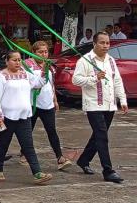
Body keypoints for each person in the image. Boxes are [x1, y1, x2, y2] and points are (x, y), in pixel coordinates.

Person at [72, 31, 128, 183]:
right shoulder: (85, 60)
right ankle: (108, 170)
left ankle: (83, 160)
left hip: (109, 105)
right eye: (102, 43)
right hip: (93, 104)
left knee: (98, 136)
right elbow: (75, 80)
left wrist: (122, 99)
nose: (105, 46)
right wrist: (93, 78)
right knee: (102, 136)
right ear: (94, 44)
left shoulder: (110, 60)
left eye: (107, 43)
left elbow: (117, 80)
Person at [0, 50, 53, 184]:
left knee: (28, 145)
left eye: (19, 60)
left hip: (24, 117)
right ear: (7, 61)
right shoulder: (0, 77)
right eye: (14, 60)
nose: (18, 63)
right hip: (6, 117)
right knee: (3, 144)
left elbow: (39, 83)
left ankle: (37, 173)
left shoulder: (25, 75)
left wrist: (45, 69)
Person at [20, 41, 72, 170]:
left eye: (46, 52)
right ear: (33, 52)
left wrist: (55, 100)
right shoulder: (27, 65)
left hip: (47, 104)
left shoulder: (50, 66)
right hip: (32, 103)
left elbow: (51, 85)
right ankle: (24, 153)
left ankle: (60, 158)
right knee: (28, 131)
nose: (43, 54)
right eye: (40, 52)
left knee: (51, 130)